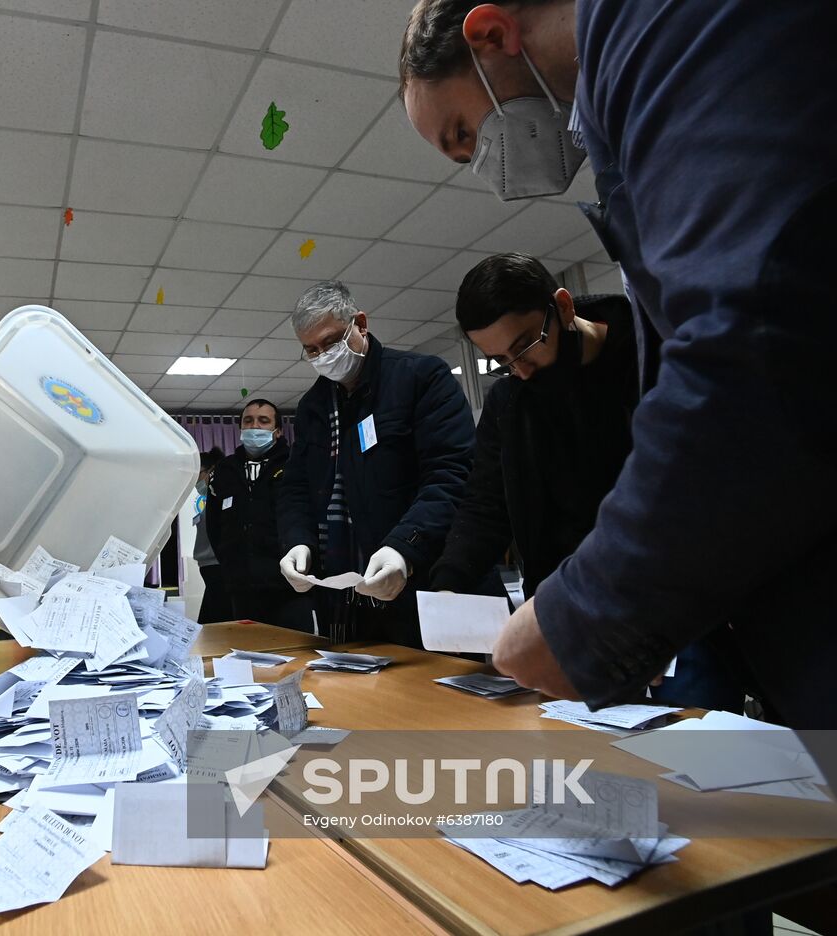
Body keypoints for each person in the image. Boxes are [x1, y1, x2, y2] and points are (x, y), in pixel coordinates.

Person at [398, 0, 837, 726]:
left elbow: (756, 342)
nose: (486, 165)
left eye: (466, 135)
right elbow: (484, 503)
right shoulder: (619, 117)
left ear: (491, 34)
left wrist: (586, 615)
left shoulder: (669, 35)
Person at [425, 253, 744, 711]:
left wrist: (641, 618)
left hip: (673, 606)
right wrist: (449, 584)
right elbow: (485, 503)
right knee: (585, 757)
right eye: (500, 360)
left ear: (563, 307)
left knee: (694, 748)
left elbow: (692, 493)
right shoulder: (510, 402)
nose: (520, 369)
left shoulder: (651, 354)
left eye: (525, 345)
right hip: (569, 616)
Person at [277, 281, 474, 645]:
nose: (324, 356)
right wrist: (297, 541)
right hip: (345, 602)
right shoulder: (313, 407)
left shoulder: (421, 377)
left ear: (360, 324)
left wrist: (405, 547)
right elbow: (296, 488)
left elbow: (452, 475)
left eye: (332, 342)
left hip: (425, 583)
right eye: (311, 350)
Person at [205, 399, 313, 632]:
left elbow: (306, 516)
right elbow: (214, 526)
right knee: (249, 657)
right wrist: (230, 562)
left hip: (288, 587)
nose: (255, 426)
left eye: (263, 421)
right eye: (248, 421)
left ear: (278, 431)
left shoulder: (296, 465)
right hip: (241, 588)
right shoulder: (225, 470)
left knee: (294, 655)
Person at [193, 448, 232, 624]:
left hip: (218, 567)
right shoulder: (208, 501)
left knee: (215, 623)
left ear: (211, 471)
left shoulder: (224, 500)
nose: (195, 481)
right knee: (208, 623)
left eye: (198, 474)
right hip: (209, 567)